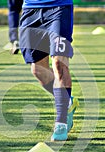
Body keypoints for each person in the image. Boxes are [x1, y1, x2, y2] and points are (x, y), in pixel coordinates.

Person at [19, 0, 78, 141]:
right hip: (30, 10)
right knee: (37, 70)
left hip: (59, 8)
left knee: (59, 63)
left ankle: (61, 123)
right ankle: (67, 102)